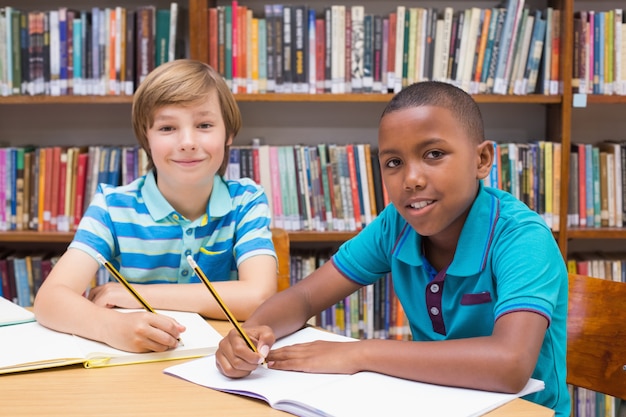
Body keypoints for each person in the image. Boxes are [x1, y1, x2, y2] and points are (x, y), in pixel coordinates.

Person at [215, 81, 570, 416]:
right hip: (429, 403)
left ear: (482, 160)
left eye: (434, 154)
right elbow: (306, 297)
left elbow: (509, 365)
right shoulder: (395, 225)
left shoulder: (522, 238)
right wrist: (253, 332)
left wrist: (361, 352)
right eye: (394, 163)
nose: (411, 179)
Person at [34, 59, 277, 353]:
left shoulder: (246, 200)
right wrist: (110, 326)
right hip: (138, 360)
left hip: (217, 359)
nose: (187, 142)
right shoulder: (113, 206)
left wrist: (132, 294)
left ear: (228, 135)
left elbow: (258, 296)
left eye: (204, 125)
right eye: (167, 127)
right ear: (146, 139)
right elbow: (49, 300)